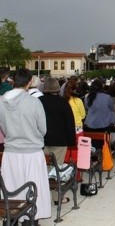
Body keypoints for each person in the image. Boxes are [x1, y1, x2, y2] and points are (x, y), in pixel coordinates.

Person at [0, 68, 51, 225]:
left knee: (13, 186)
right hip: (32, 152)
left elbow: (3, 127)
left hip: (11, 151)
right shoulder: (34, 102)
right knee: (33, 188)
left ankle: (14, 216)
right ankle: (31, 219)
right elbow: (43, 129)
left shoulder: (2, 102)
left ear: (13, 81)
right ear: (29, 82)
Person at [40, 77, 76, 205]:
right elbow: (69, 123)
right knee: (56, 169)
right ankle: (56, 198)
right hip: (60, 140)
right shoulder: (62, 102)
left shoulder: (39, 101)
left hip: (42, 140)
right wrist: (72, 141)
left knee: (44, 168)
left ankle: (42, 197)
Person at [84, 79, 115, 148]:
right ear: (101, 87)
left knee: (94, 142)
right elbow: (112, 109)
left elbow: (86, 108)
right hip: (104, 124)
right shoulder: (107, 97)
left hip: (91, 124)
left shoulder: (87, 98)